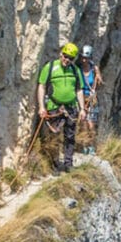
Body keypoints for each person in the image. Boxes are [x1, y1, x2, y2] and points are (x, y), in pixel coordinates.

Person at [36, 42, 87, 173]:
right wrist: (42, 107)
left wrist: (82, 109)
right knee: (54, 136)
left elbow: (79, 90)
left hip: (71, 108)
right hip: (54, 107)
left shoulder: (75, 70)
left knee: (70, 136)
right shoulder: (50, 67)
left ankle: (68, 163)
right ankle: (55, 164)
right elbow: (41, 86)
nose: (67, 60)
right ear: (61, 54)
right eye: (65, 56)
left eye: (71, 58)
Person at [78, 45, 103, 141]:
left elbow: (100, 84)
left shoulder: (94, 69)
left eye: (86, 58)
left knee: (91, 123)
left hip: (91, 98)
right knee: (83, 121)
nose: (84, 60)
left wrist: (98, 78)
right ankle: (84, 143)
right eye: (83, 58)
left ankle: (92, 144)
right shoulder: (78, 69)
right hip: (81, 97)